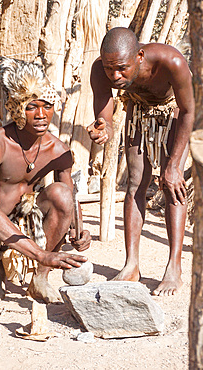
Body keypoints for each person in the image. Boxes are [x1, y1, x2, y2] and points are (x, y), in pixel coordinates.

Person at [0, 57, 91, 303]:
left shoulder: (58, 150)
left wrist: (79, 229)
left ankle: (39, 280)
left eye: (47, 106)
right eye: (32, 107)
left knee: (62, 194)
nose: (41, 115)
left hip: (31, 218)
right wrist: (41, 254)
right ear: (18, 109)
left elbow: (69, 198)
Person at [87, 27, 194, 296]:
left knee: (172, 184)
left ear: (140, 56)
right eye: (110, 69)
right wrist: (105, 127)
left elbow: (189, 110)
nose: (115, 75)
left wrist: (173, 165)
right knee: (135, 184)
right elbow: (104, 104)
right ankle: (131, 264)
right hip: (138, 110)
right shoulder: (101, 69)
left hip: (175, 112)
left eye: (121, 68)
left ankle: (174, 268)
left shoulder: (171, 62)